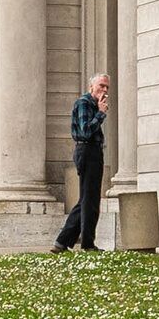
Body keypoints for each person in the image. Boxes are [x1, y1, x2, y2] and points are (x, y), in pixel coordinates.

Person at [51, 73, 111, 252]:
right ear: (91, 86)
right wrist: (100, 114)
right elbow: (85, 131)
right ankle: (86, 244)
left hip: (92, 151)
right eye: (101, 86)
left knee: (88, 199)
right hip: (87, 150)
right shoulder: (84, 103)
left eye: (107, 87)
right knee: (89, 200)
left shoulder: (92, 104)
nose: (105, 90)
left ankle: (63, 242)